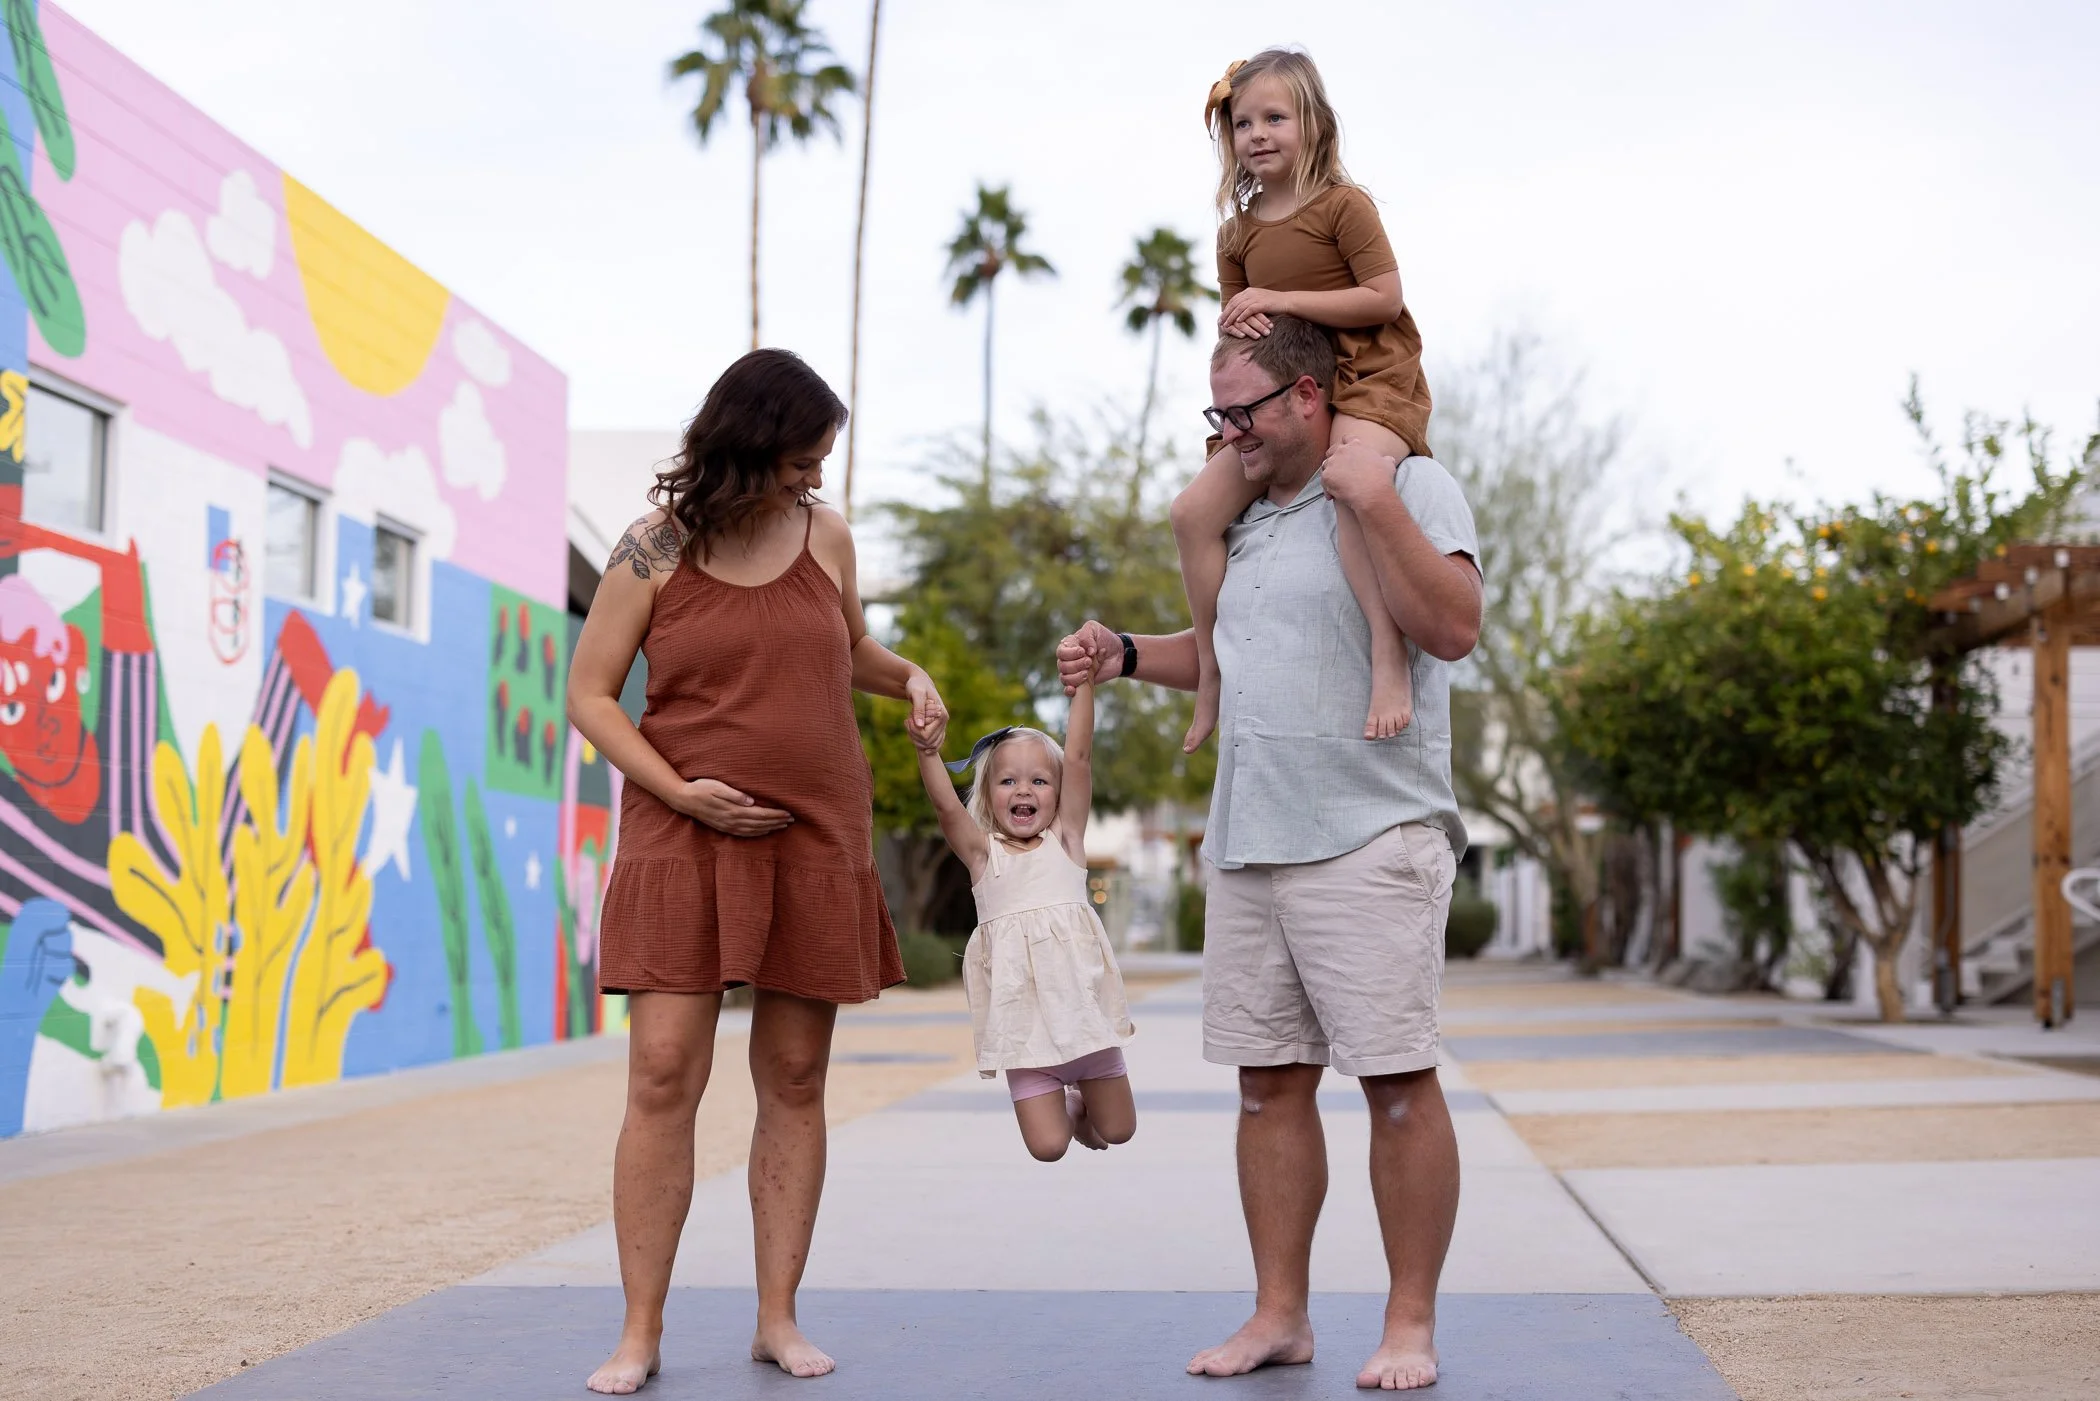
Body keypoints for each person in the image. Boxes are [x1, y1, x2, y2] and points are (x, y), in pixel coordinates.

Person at [1058, 315, 1480, 1392]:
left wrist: (1374, 502)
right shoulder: (1244, 517)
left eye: (1242, 411)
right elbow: (1230, 650)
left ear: (1307, 395)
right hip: (1251, 837)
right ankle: (1280, 1316)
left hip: (1370, 834)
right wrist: (1125, 653)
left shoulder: (1408, 483)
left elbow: (1453, 626)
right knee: (1266, 1091)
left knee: (1397, 1086)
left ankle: (1410, 1324)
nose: (1227, 432)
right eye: (1217, 413)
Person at [567, 349, 949, 1394]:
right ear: (747, 447)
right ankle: (639, 1332)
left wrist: (908, 674)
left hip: (813, 836)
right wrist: (681, 791)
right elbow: (591, 694)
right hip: (679, 833)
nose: (814, 478)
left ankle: (776, 1317)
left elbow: (850, 650)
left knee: (793, 1077)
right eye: (799, 460)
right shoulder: (652, 546)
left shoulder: (827, 536)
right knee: (662, 1074)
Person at [1172, 48, 1435, 752]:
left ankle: (1387, 653)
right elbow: (1239, 329)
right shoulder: (1236, 234)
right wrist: (1245, 341)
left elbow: (1384, 298)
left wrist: (1283, 299)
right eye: (1242, 123)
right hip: (1284, 390)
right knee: (1190, 512)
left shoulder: (1344, 206)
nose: (1257, 134)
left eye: (1275, 118)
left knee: (1350, 480)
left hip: (1365, 373)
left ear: (1312, 123)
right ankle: (1211, 671)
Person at [914, 679, 1137, 1161]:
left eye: (1039, 781)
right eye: (1008, 781)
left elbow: (1079, 758)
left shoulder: (1067, 841)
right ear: (988, 793)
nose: (1024, 790)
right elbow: (946, 807)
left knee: (1119, 1131)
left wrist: (1084, 684)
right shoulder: (982, 857)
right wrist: (928, 752)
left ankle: (1085, 1105)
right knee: (1048, 1147)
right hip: (1026, 1037)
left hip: (1084, 1026)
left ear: (1057, 793)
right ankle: (1070, 1109)